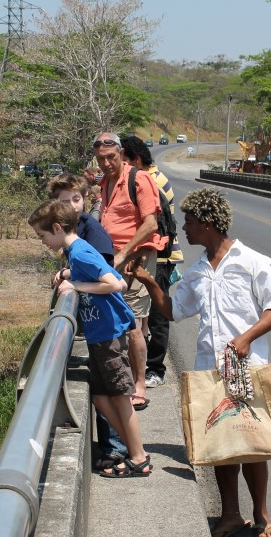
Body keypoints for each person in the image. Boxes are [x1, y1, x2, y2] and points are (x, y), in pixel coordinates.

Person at [129, 188, 271, 537]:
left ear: (208, 223)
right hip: (210, 369)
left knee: (252, 443)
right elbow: (174, 310)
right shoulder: (197, 271)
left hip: (246, 367)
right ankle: (230, 515)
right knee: (221, 445)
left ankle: (261, 515)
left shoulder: (252, 262)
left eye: (189, 222)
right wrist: (148, 281)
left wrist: (246, 338)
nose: (184, 229)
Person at [28, 199, 151, 477]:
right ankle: (135, 450)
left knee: (120, 397)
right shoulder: (75, 253)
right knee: (99, 397)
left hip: (109, 334)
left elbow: (115, 283)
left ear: (57, 228)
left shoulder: (80, 251)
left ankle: (139, 458)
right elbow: (100, 273)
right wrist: (69, 273)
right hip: (99, 334)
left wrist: (76, 284)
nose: (42, 242)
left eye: (42, 235)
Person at [46, 173, 127, 470]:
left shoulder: (91, 235)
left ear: (85, 199)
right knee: (103, 390)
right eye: (64, 201)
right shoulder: (74, 232)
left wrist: (75, 282)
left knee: (112, 392)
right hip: (97, 324)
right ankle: (113, 447)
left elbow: (110, 278)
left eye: (76, 199)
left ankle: (117, 450)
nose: (71, 205)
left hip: (106, 324)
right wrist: (68, 274)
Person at [93, 131, 168, 410]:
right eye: (101, 159)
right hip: (112, 260)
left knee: (133, 323)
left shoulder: (139, 179)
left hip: (135, 259)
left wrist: (124, 254)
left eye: (111, 157)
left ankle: (139, 384)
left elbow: (150, 224)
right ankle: (122, 380)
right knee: (117, 321)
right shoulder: (105, 182)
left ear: (121, 154)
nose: (106, 163)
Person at [119, 135, 184, 388]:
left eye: (124, 161)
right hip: (153, 255)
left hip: (160, 256)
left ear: (136, 160)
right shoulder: (148, 177)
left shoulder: (150, 180)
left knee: (158, 313)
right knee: (145, 313)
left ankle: (156, 368)